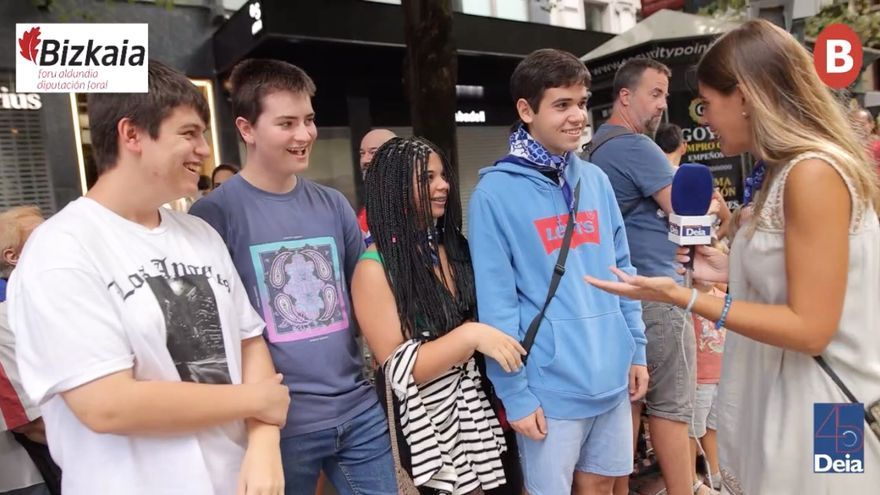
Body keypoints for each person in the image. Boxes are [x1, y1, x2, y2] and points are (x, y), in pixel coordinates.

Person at [586, 19, 880, 494]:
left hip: (829, 412)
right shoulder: (791, 172)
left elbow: (812, 327)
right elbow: (805, 279)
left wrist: (687, 297)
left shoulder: (811, 174)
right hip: (804, 405)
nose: (703, 118)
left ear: (745, 97)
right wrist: (726, 270)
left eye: (709, 103)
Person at [7, 60, 289, 495]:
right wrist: (258, 401)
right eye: (189, 133)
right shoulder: (61, 250)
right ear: (132, 134)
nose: (205, 150)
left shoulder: (200, 234)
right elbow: (107, 404)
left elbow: (249, 340)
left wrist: (265, 440)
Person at [189, 59, 396, 495]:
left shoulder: (333, 204)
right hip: (278, 422)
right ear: (247, 129)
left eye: (309, 120)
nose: (304, 135)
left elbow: (365, 293)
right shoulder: (213, 214)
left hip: (358, 408)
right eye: (286, 123)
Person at [467, 48, 648, 495]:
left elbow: (622, 269)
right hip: (549, 388)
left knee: (605, 485)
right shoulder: (493, 194)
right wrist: (515, 395)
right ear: (526, 111)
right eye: (562, 105)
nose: (577, 117)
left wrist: (637, 350)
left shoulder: (595, 180)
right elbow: (497, 306)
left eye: (582, 103)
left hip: (611, 374)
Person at [352, 136, 523, 494]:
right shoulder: (375, 269)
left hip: (485, 419)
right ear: (394, 189)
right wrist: (470, 335)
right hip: (430, 436)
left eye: (443, 175)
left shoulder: (454, 247)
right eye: (427, 178)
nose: (443, 185)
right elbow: (401, 368)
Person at [589, 58, 702, 495]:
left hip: (626, 296)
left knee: (632, 407)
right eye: (654, 94)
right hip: (657, 293)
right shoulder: (636, 147)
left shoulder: (598, 147)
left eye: (664, 95)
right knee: (671, 410)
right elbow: (689, 214)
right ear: (624, 96)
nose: (662, 105)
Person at [0, 206, 59, 495]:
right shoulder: (3, 319)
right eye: (42, 239)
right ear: (13, 257)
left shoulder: (58, 303)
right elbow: (31, 424)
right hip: (30, 474)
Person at [653, 122, 731, 240]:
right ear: (683, 146)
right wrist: (712, 241)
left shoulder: (649, 180)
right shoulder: (696, 178)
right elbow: (728, 219)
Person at [357, 129, 397, 247]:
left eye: (372, 152)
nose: (365, 160)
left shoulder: (412, 203)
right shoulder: (371, 207)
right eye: (362, 153)